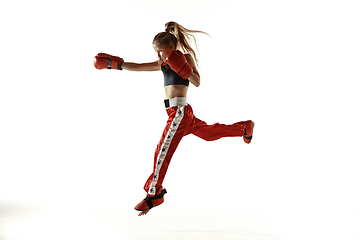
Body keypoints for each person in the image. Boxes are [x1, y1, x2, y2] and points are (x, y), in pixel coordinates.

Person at [93, 21, 254, 216]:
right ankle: (243, 128)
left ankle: (154, 193)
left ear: (170, 47)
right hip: (178, 112)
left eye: (160, 51)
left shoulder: (184, 57)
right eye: (156, 52)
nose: (158, 55)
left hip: (179, 111)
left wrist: (183, 68)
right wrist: (114, 64)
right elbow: (137, 67)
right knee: (209, 134)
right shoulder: (163, 62)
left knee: (162, 150)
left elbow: (197, 81)